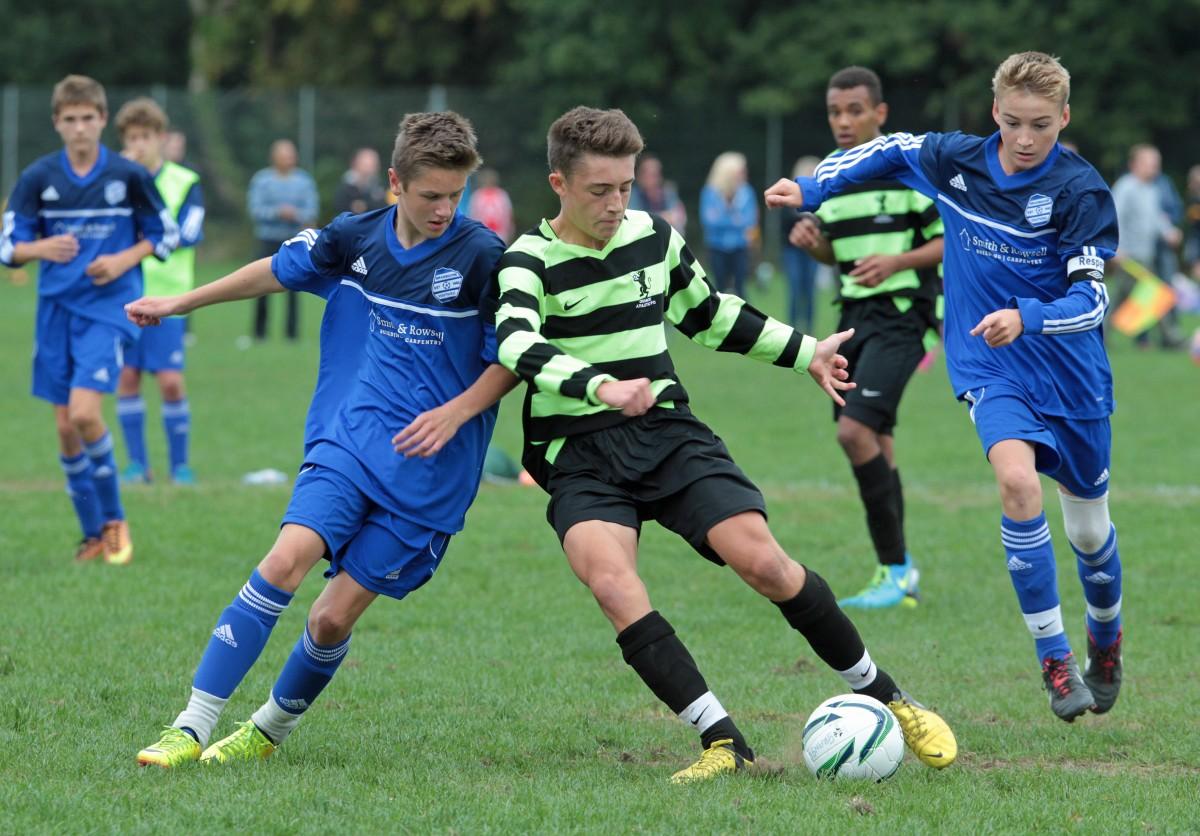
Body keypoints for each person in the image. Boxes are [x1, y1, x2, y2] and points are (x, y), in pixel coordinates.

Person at [494, 106, 956, 784]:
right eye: (599, 190)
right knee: (613, 583)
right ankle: (721, 739)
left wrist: (805, 352)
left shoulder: (653, 235)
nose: (616, 204)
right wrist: (603, 387)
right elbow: (516, 341)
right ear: (558, 183)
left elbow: (708, 314)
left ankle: (889, 696)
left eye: (625, 187)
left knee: (766, 564)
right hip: (579, 453)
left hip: (666, 435)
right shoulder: (527, 259)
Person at [131, 111, 516, 767]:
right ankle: (189, 726)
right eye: (430, 196)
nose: (444, 210)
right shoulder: (352, 238)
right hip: (351, 441)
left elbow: (515, 357)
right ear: (395, 182)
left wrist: (455, 414)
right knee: (284, 561)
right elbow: (274, 271)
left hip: (430, 474)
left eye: (455, 195)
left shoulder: (482, 257)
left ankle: (266, 732)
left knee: (329, 621)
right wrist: (181, 302)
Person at [767, 51, 1125, 723]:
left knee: (1088, 531)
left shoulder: (1081, 191)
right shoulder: (956, 160)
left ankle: (1105, 640)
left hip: (1071, 374)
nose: (1024, 139)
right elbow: (887, 150)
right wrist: (810, 189)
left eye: (1042, 126)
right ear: (995, 113)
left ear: (1065, 119)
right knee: (1017, 485)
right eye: (1014, 122)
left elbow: (1093, 301)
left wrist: (1029, 317)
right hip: (991, 366)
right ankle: (1054, 661)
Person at [0, 75, 178, 565]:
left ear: (102, 120)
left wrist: (123, 261)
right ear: (57, 123)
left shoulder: (126, 175)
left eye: (88, 118)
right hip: (55, 310)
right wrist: (40, 247)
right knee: (64, 428)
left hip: (108, 310)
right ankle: (92, 535)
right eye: (70, 120)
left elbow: (165, 233)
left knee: (84, 413)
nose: (80, 128)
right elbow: (8, 247)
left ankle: (116, 518)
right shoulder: (39, 177)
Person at [786, 67, 945, 609]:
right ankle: (898, 573)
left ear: (881, 113)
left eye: (855, 110)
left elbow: (948, 241)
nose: (844, 121)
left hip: (904, 317)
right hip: (853, 321)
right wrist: (816, 247)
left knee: (854, 433)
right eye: (835, 112)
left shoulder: (908, 172)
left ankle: (896, 569)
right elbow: (841, 255)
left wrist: (898, 259)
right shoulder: (832, 176)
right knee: (877, 441)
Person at [113, 98, 205, 485]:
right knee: (127, 379)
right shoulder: (115, 182)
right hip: (124, 295)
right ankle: (137, 466)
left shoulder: (185, 182)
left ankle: (179, 466)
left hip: (169, 300)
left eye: (145, 137)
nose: (139, 145)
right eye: (132, 138)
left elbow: (187, 233)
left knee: (170, 381)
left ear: (161, 139)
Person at [1111, 144, 1184, 349]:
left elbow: (1155, 219)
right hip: (1128, 256)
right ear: (1134, 164)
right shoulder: (1125, 187)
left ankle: (1099, 335)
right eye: (1150, 164)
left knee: (1128, 299)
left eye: (1156, 164)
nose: (1155, 169)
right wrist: (1116, 248)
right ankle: (1171, 338)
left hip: (1146, 255)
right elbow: (1113, 217)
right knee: (1154, 296)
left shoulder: (1152, 189)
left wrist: (1169, 231)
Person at [247, 139, 318, 341]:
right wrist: (278, 212)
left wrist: (296, 215)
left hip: (294, 240)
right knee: (258, 285)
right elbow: (255, 209)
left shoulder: (304, 182)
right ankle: (259, 333)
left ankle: (292, 334)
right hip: (267, 238)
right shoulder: (262, 180)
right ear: (274, 157)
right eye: (284, 155)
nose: (288, 159)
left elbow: (312, 210)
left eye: (291, 155)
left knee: (294, 287)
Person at [699, 151, 757, 297]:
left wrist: (723, 218)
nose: (745, 174)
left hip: (740, 247)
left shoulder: (747, 192)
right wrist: (735, 219)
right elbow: (708, 221)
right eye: (741, 171)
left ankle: (743, 320)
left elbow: (750, 221)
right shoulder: (710, 192)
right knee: (718, 289)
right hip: (716, 247)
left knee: (741, 289)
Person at [779, 156, 821, 334]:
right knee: (795, 288)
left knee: (810, 290)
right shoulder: (789, 196)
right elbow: (784, 223)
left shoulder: (822, 196)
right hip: (792, 251)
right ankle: (793, 329)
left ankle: (809, 329)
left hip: (813, 250)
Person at [629, 153, 687, 233]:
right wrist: (662, 218)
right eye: (651, 175)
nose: (656, 179)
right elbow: (634, 222)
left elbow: (678, 217)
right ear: (640, 177)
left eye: (657, 174)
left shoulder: (668, 191)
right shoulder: (632, 195)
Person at [331, 147, 388, 217]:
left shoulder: (381, 186)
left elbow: (385, 207)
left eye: (372, 165)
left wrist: (365, 206)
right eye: (365, 165)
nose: (368, 170)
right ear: (355, 164)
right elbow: (339, 207)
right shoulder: (345, 186)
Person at [466, 167, 515, 243]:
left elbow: (508, 214)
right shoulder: (477, 195)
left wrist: (510, 230)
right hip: (482, 233)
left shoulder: (501, 195)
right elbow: (472, 215)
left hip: (500, 233)